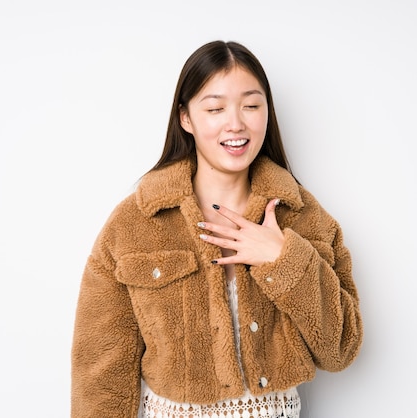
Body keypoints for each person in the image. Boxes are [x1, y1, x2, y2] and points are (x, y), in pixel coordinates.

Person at [71, 40, 363, 418]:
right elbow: (101, 369)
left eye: (252, 106)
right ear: (185, 118)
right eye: (215, 108)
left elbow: (341, 348)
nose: (236, 123)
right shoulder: (134, 223)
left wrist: (282, 258)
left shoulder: (303, 217)